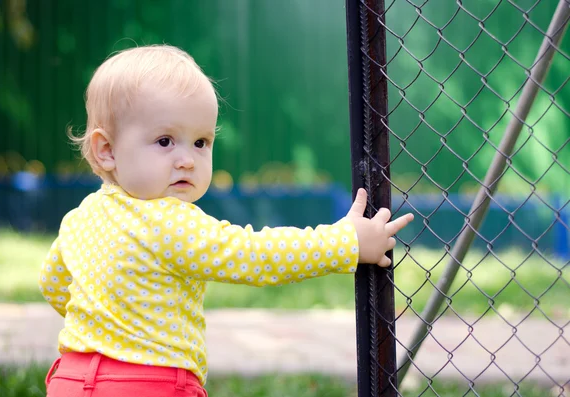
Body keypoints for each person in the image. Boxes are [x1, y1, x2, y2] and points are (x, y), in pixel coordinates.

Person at [39, 44, 414, 397]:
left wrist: (112, 321)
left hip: (69, 378)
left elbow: (54, 282)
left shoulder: (81, 216)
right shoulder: (172, 221)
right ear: (106, 150)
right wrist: (345, 241)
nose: (187, 159)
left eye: (200, 142)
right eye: (165, 141)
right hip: (148, 382)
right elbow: (256, 255)